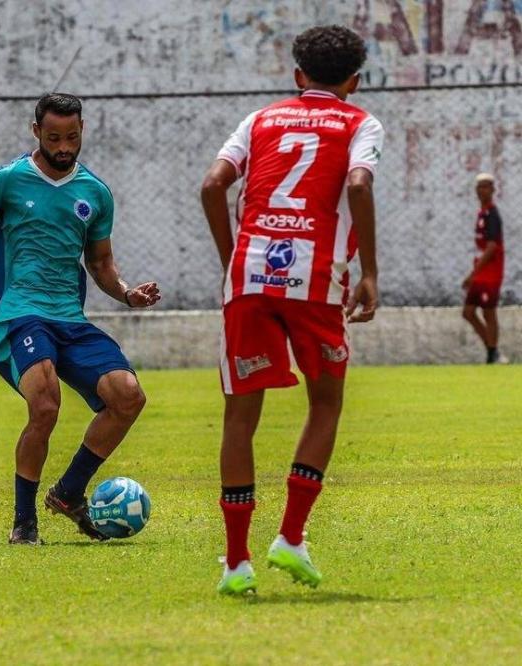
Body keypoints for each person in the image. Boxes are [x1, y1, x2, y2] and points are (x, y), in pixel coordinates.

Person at [0, 93, 160, 545]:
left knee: (128, 396)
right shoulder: (8, 180)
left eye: (72, 136)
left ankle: (69, 493)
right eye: (54, 137)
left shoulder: (95, 192)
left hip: (69, 318)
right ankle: (24, 523)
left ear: (83, 129)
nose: (64, 146)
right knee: (46, 405)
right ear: (36, 132)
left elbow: (101, 263)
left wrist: (127, 294)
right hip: (17, 314)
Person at [200, 25, 383, 594]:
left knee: (239, 418)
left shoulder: (259, 121)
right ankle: (291, 536)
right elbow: (357, 185)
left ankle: (235, 563)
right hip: (315, 278)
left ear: (298, 75)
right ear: (355, 80)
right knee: (325, 402)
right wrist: (371, 272)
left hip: (250, 274)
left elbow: (212, 186)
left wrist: (235, 259)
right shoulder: (360, 122)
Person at [462, 173, 508, 364]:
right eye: (480, 187)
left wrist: (472, 274)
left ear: (493, 189)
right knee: (469, 312)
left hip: (491, 273)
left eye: (486, 186)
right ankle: (493, 349)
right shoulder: (482, 213)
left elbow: (492, 247)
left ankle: (492, 354)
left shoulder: (492, 215)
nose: (483, 190)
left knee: (489, 312)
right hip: (481, 272)